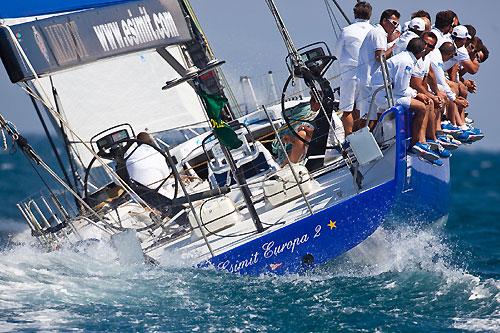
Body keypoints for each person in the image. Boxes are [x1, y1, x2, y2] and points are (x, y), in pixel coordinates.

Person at [371, 38, 441, 164]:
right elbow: (400, 89)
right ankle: (416, 144)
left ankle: (421, 140)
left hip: (390, 93)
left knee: (426, 102)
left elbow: (400, 88)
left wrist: (417, 94)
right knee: (421, 107)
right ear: (420, 52)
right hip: (385, 97)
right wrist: (417, 95)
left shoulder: (405, 57)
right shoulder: (407, 62)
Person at [332, 1, 373, 137]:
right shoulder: (374, 31)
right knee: (363, 110)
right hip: (368, 75)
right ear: (370, 15)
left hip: (349, 74)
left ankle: (349, 139)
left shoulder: (346, 31)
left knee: (347, 110)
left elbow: (336, 54)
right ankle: (362, 137)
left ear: (355, 14)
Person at [356, 9, 400, 129]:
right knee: (368, 116)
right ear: (384, 20)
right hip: (369, 80)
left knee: (370, 115)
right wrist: (395, 46)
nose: (395, 27)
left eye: (397, 24)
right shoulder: (378, 33)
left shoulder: (378, 33)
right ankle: (355, 142)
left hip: (368, 79)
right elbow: (380, 57)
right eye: (394, 23)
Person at [271, 92, 321, 166]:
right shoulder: (318, 115)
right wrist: (291, 139)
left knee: (301, 134)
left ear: (318, 103)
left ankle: (288, 164)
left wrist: (304, 128)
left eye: (312, 100)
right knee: (301, 135)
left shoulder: (322, 116)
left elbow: (318, 133)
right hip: (320, 146)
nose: (310, 103)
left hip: (324, 149)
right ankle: (288, 164)